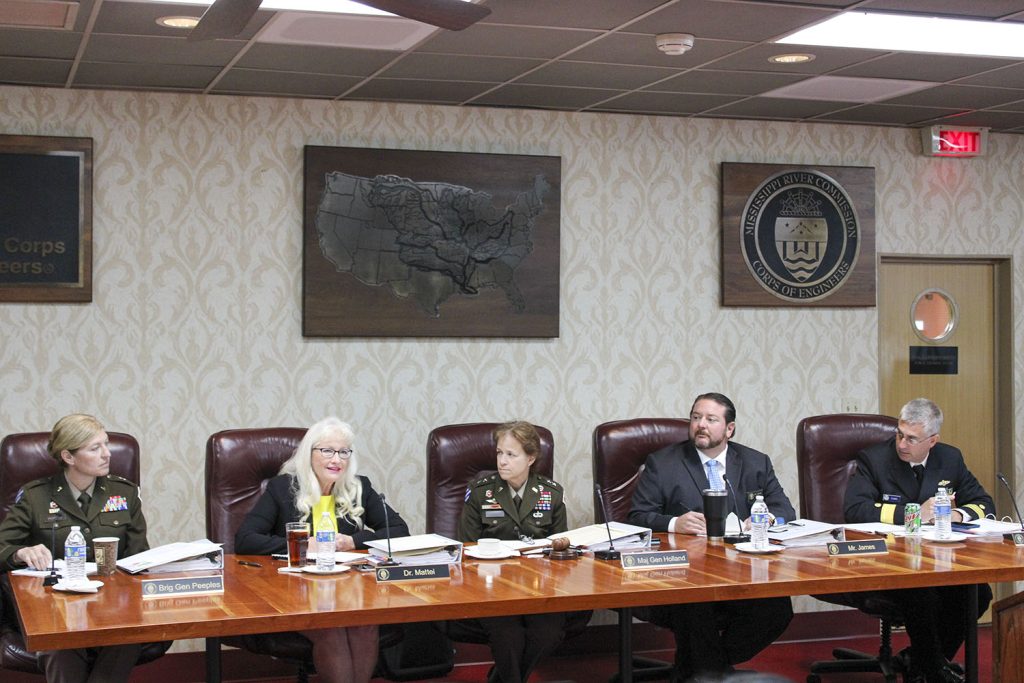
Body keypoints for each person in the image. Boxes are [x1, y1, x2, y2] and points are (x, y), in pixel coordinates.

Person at [628, 393, 795, 682]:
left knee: (777, 609)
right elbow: (637, 516)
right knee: (696, 604)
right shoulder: (663, 463)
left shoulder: (756, 462)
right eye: (695, 417)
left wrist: (763, 519)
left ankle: (703, 668)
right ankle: (708, 672)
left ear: (729, 429)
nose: (700, 425)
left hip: (742, 571)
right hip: (684, 574)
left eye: (710, 419)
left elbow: (785, 512)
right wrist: (674, 523)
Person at [235, 417, 409, 683]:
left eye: (343, 452)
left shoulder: (359, 488)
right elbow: (246, 539)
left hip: (348, 590)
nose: (336, 459)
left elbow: (399, 531)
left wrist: (353, 541)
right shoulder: (283, 489)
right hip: (296, 592)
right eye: (327, 450)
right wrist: (303, 545)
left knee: (365, 624)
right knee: (331, 628)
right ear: (310, 454)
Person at [844, 398, 993, 683]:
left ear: (932, 440)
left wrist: (958, 513)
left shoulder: (950, 458)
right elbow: (855, 510)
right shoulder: (874, 459)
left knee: (978, 593)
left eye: (912, 438)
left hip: (936, 558)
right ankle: (933, 672)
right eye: (899, 434)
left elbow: (984, 504)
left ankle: (923, 662)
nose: (901, 443)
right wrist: (915, 513)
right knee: (921, 593)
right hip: (886, 559)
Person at [0, 414, 149, 683]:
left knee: (127, 637)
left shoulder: (124, 493)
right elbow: (3, 545)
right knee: (60, 646)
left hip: (111, 604)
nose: (107, 454)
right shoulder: (36, 496)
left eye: (106, 445)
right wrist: (21, 553)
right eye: (95, 448)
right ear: (68, 457)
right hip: (54, 606)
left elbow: (138, 557)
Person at [457, 421, 575, 683]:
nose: (502, 461)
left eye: (511, 454)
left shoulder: (551, 494)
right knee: (507, 636)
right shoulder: (480, 492)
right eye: (499, 453)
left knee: (549, 633)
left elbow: (560, 550)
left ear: (530, 458)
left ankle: (503, 677)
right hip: (493, 588)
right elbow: (466, 548)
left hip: (539, 589)